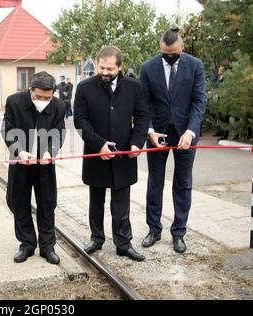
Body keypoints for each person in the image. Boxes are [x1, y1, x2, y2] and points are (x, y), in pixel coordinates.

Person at [74, 46, 149, 262]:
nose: (105, 72)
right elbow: (80, 120)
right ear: (97, 63)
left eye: (110, 68)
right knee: (96, 202)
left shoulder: (135, 88)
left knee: (121, 204)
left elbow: (142, 117)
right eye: (102, 67)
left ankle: (123, 243)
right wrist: (98, 145)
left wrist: (137, 143)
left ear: (120, 67)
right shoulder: (84, 88)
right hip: (96, 154)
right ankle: (96, 238)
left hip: (124, 156)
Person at [139, 26, 206, 253]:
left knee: (183, 182)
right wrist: (149, 131)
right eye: (165, 54)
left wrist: (190, 132)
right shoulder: (147, 68)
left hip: (185, 134)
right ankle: (154, 229)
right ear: (160, 48)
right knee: (154, 181)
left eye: (174, 54)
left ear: (182, 47)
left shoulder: (195, 66)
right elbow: (144, 104)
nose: (169, 58)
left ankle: (179, 233)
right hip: (157, 133)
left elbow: (199, 101)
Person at [1, 71, 66, 265]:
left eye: (47, 97)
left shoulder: (59, 106)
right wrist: (19, 151)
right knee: (18, 202)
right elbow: (8, 129)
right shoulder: (14, 102)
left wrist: (50, 152)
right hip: (21, 162)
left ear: (53, 93)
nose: (42, 101)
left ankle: (48, 247)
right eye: (38, 97)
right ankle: (27, 244)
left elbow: (59, 133)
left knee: (47, 204)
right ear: (31, 90)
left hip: (45, 164)